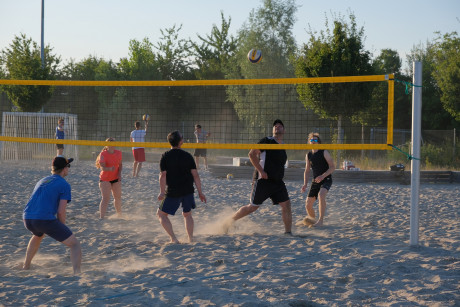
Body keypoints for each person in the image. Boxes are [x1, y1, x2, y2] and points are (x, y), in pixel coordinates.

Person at [227, 119, 292, 235]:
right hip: (263, 181)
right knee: (252, 207)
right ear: (272, 130)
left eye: (280, 126)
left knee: (286, 205)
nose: (277, 127)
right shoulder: (267, 141)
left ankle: (288, 232)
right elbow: (251, 154)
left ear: (284, 130)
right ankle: (229, 222)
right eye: (275, 126)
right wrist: (261, 171)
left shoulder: (283, 146)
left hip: (278, 182)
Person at [22, 156, 82, 274]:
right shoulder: (64, 184)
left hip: (27, 217)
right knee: (75, 244)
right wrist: (62, 228)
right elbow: (61, 211)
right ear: (64, 169)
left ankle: (26, 266)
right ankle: (77, 273)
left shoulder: (43, 180)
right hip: (43, 219)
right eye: (68, 166)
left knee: (38, 235)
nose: (69, 169)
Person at [157, 130, 206, 243]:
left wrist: (162, 191)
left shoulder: (165, 156)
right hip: (188, 190)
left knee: (161, 214)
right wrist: (200, 192)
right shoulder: (188, 156)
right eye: (182, 138)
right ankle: (191, 238)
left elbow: (162, 175)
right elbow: (196, 175)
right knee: (187, 214)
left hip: (173, 191)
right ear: (181, 142)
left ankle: (174, 239)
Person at [300, 132, 335, 227]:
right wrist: (305, 184)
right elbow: (307, 171)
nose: (313, 141)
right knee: (308, 205)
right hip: (316, 181)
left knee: (321, 194)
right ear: (309, 142)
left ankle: (320, 221)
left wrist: (323, 176)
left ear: (318, 142)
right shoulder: (309, 155)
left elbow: (332, 167)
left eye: (315, 140)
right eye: (311, 140)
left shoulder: (324, 152)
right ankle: (312, 221)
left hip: (326, 178)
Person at [95, 138, 122, 219]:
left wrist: (119, 174)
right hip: (105, 179)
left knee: (117, 197)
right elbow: (102, 167)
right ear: (108, 145)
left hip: (115, 177)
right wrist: (110, 169)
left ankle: (119, 215)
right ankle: (101, 217)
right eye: (111, 143)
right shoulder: (103, 154)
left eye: (114, 143)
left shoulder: (118, 153)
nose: (113, 145)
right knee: (106, 198)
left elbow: (120, 164)